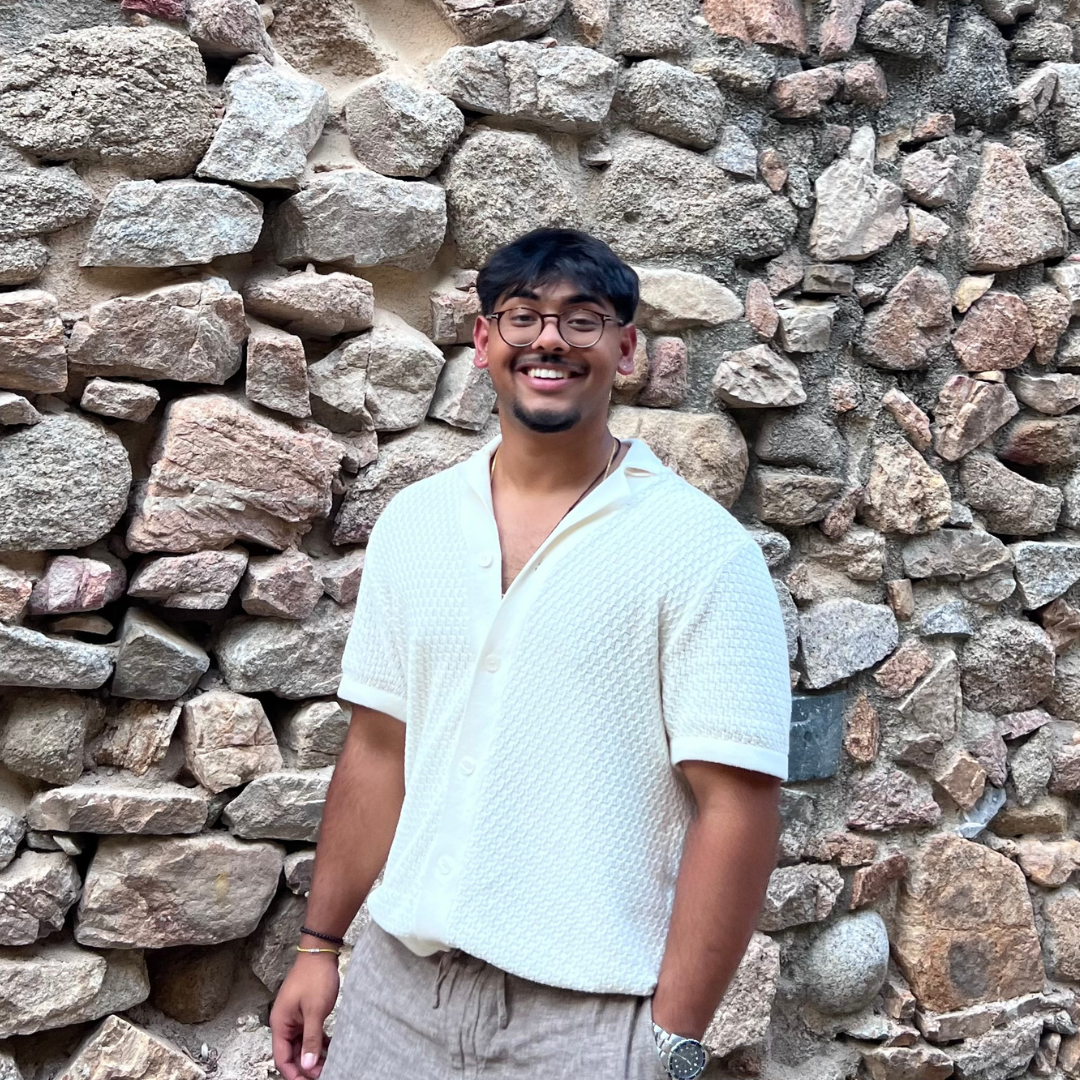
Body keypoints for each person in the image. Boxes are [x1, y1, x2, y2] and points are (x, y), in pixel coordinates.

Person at [270, 228, 791, 1080]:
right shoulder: (418, 524)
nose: (550, 339)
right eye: (523, 317)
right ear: (484, 343)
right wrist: (320, 947)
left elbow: (736, 806)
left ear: (627, 351)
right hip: (399, 992)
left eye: (583, 321)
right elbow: (376, 750)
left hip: (590, 1021)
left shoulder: (699, 550)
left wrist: (672, 1041)